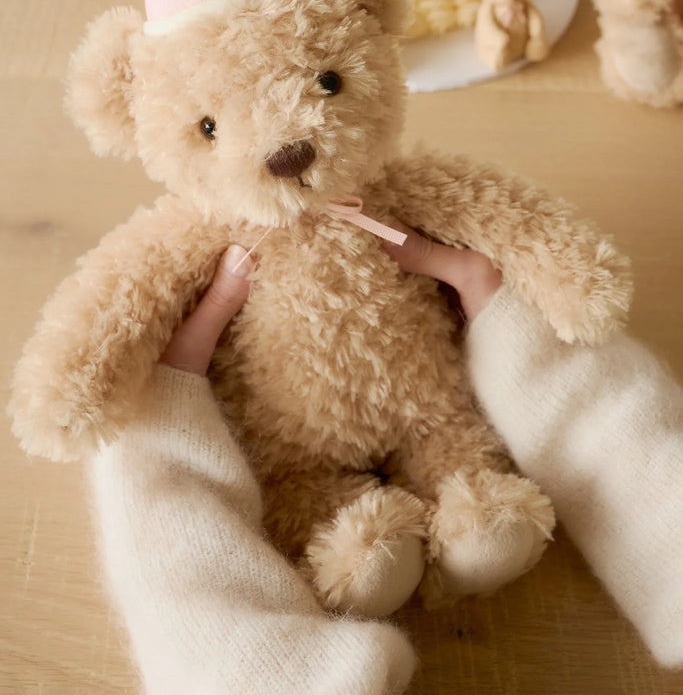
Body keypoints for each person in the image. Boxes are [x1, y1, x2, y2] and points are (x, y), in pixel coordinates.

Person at [91, 228, 683, 695]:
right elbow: (86, 355)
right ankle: (366, 551)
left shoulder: (402, 198)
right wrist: (530, 333)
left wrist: (155, 409)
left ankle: (473, 522)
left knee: (147, 454)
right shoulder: (186, 238)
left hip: (430, 410)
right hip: (294, 454)